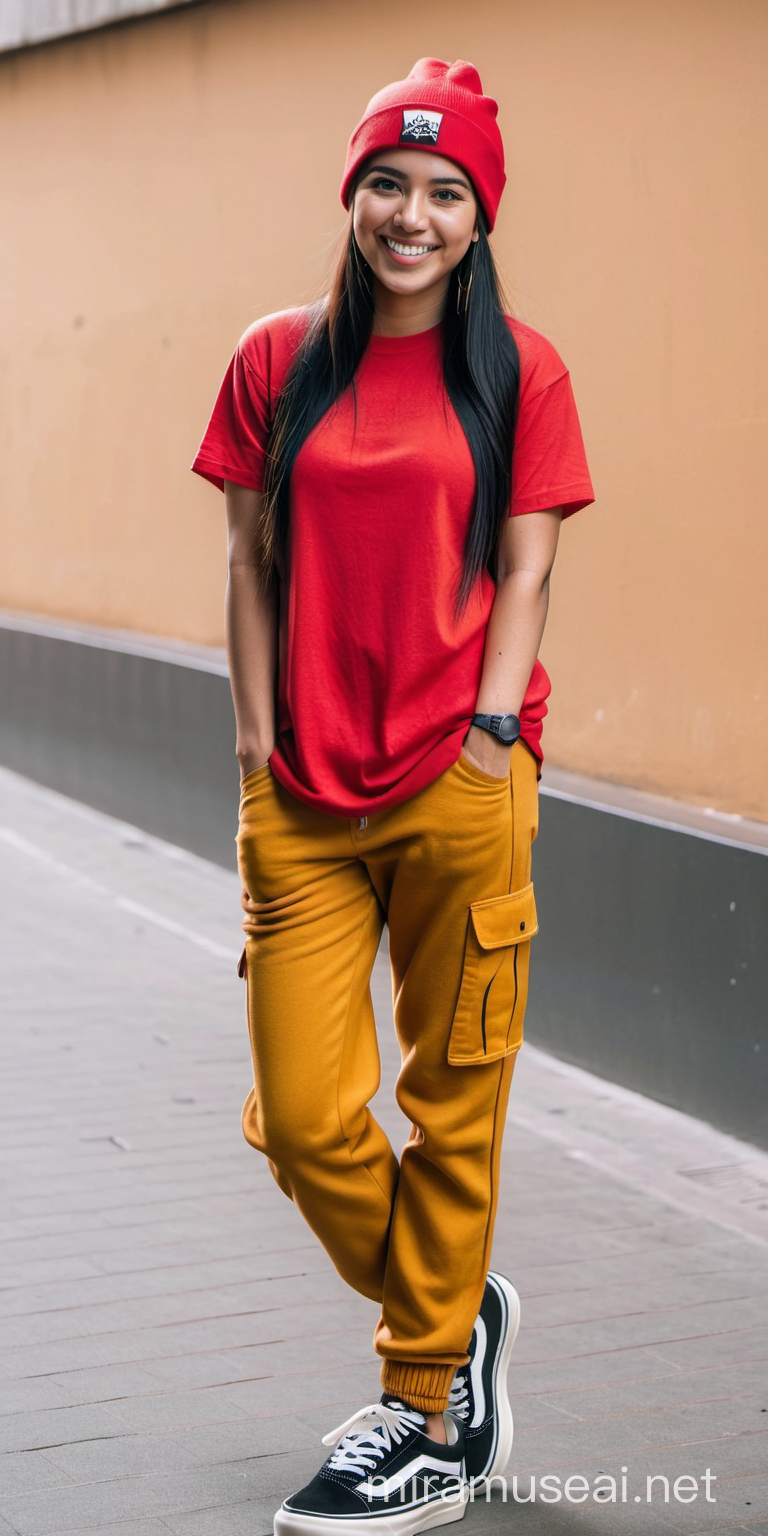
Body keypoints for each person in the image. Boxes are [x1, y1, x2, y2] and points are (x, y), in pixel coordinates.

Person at [191, 56, 594, 1536]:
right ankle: (454, 1305)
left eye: (445, 193)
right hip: (299, 791)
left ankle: (423, 1408)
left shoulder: (520, 368)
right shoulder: (276, 356)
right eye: (388, 182)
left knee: (453, 1102)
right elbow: (247, 558)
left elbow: (530, 561)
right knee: (305, 1118)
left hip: (460, 777)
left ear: (479, 218)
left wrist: (493, 730)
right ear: (351, 193)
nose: (410, 214)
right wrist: (253, 745)